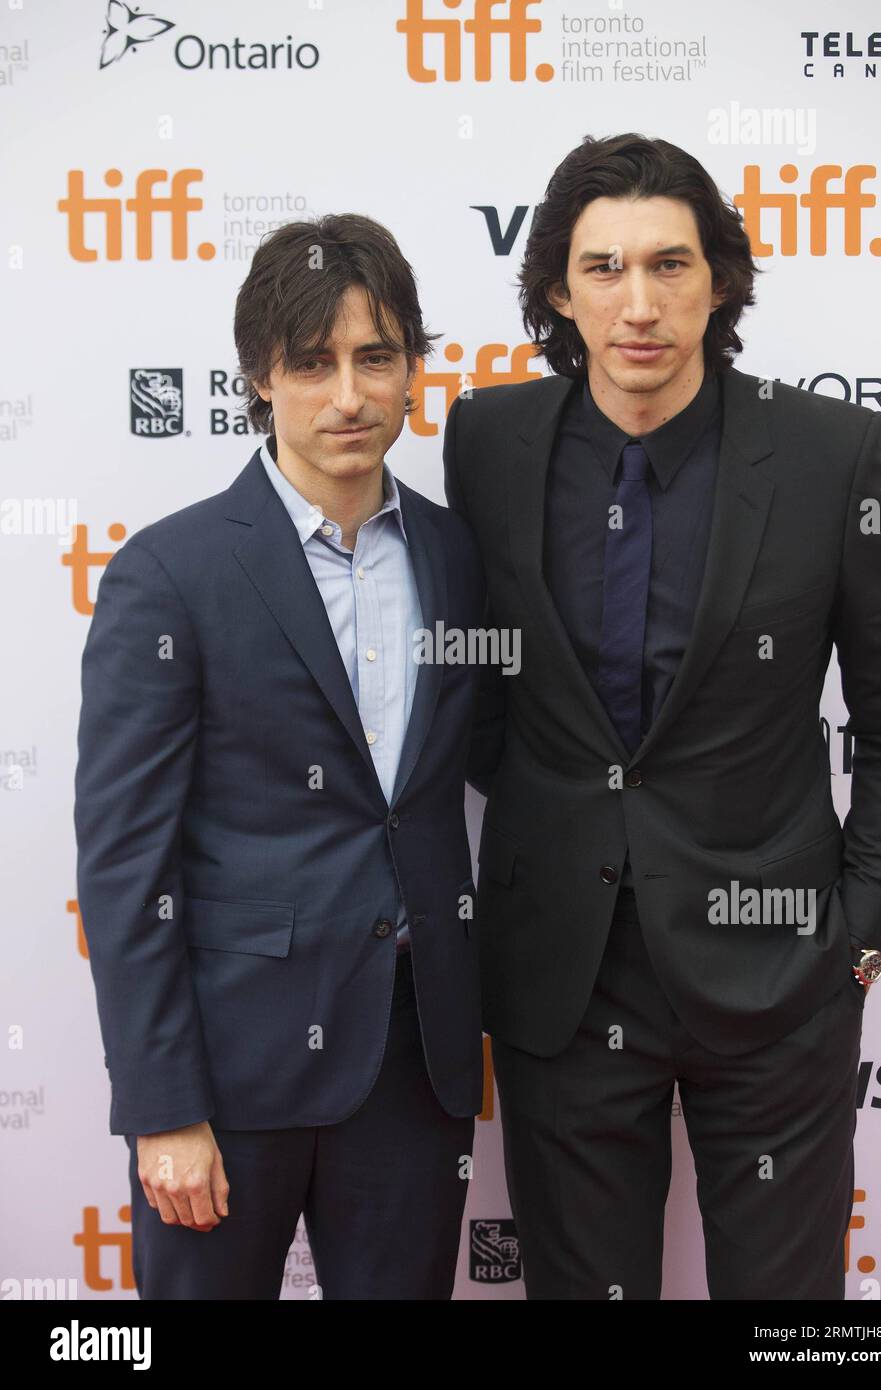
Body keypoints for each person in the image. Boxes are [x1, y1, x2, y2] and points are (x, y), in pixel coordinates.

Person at [443, 133, 881, 1300]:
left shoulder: (830, 453)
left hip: (777, 973)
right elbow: (478, 687)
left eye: (671, 264)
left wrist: (858, 934)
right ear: (557, 290)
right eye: (603, 269)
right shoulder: (490, 443)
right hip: (565, 981)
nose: (640, 304)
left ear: (719, 277)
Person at [75, 215, 484, 1300]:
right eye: (312, 364)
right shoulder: (171, 574)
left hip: (412, 1067)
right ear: (261, 377)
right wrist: (162, 1107)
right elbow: (125, 866)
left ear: (411, 371)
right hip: (231, 1075)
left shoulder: (456, 555)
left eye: (374, 358)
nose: (346, 395)